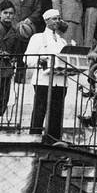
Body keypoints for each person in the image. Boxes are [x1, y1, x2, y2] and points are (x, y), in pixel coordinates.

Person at [24, 8, 70, 140]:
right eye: (54, 19)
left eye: (59, 18)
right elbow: (27, 59)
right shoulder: (38, 38)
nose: (57, 21)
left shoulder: (62, 41)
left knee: (56, 113)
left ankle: (54, 141)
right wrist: (40, 60)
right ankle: (34, 139)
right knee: (40, 110)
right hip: (43, 81)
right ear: (46, 21)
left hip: (60, 81)